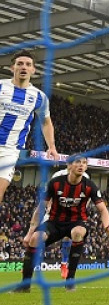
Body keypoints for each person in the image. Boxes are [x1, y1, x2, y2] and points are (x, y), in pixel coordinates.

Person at [15, 155, 109, 292]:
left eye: (84, 163)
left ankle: (70, 281)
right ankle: (25, 285)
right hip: (54, 222)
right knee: (34, 239)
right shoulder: (55, 183)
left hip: (76, 222)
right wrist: (29, 233)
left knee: (78, 233)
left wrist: (107, 227)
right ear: (69, 166)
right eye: (78, 162)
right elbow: (40, 208)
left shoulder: (89, 186)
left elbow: (103, 210)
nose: (81, 165)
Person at [0, 51, 60, 204]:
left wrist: (51, 146)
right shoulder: (1, 86)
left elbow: (46, 122)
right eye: (19, 64)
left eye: (28, 64)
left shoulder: (39, 97)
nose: (23, 67)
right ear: (12, 68)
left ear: (33, 70)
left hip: (9, 150)